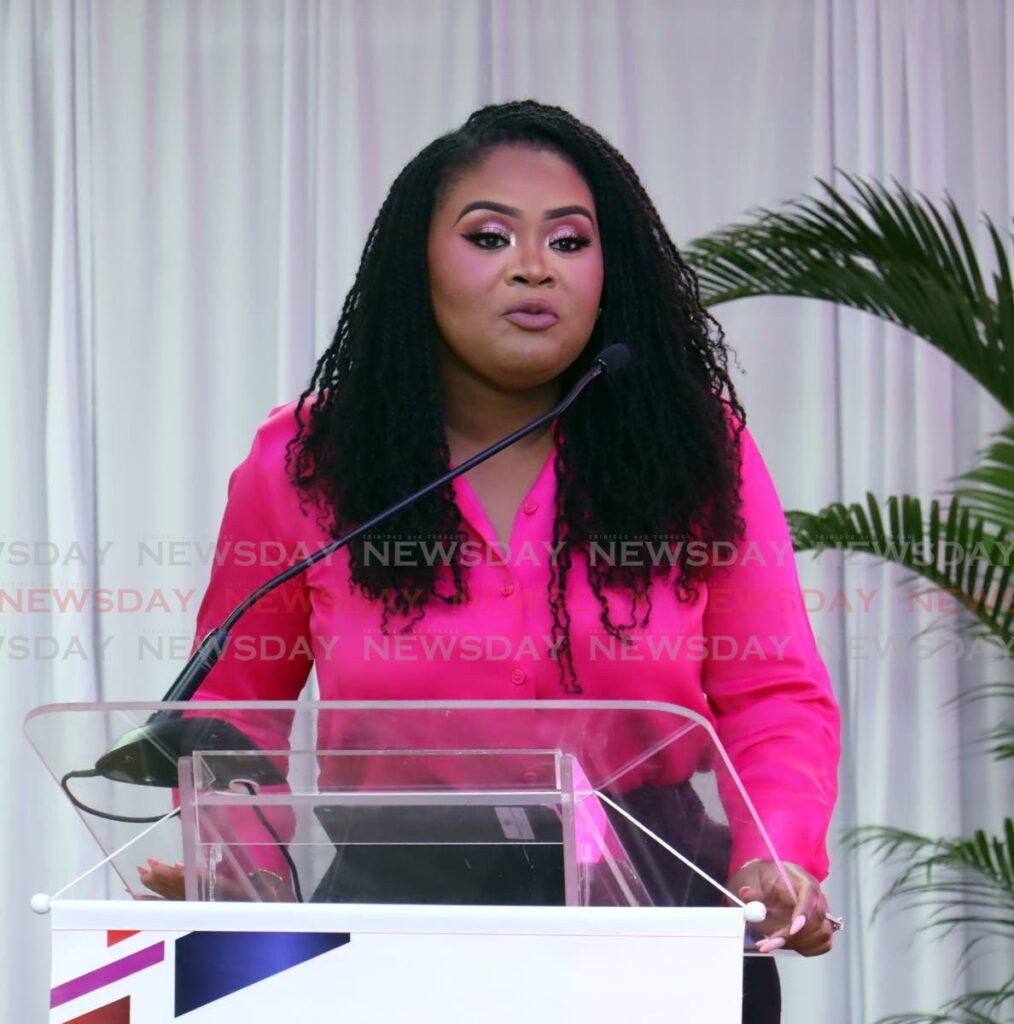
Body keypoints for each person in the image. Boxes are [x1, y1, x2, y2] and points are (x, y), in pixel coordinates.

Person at [138, 99, 841, 1022]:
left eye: (571, 240)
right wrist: (244, 873)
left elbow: (772, 693)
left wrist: (777, 856)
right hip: (393, 926)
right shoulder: (308, 463)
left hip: (664, 914)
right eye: (489, 235)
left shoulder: (697, 448)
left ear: (607, 272)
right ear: (416, 266)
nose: (533, 265)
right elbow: (238, 711)